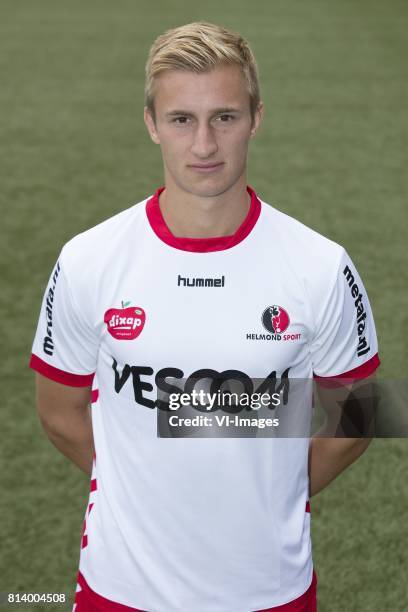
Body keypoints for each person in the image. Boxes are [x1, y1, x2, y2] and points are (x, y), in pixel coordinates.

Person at [29, 21, 380, 612]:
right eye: (181, 120)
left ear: (256, 118)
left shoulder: (319, 266)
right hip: (119, 588)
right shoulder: (88, 259)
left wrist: (268, 489)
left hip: (268, 590)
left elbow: (358, 416)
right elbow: (58, 411)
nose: (203, 146)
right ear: (151, 124)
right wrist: (147, 485)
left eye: (225, 117)